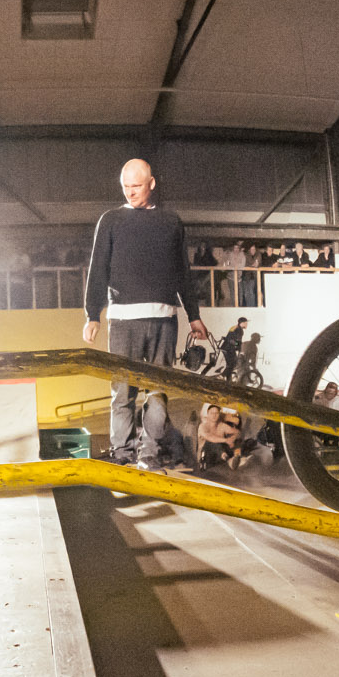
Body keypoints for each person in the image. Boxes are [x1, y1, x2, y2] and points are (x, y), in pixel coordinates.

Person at [83, 158, 207, 473]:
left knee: (157, 391)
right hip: (123, 318)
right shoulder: (110, 220)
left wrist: (194, 315)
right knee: (122, 391)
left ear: (151, 184)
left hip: (164, 317)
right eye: (125, 187)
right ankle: (122, 452)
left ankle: (148, 454)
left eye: (136, 186)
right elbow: (98, 267)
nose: (131, 193)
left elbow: (183, 271)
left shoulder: (171, 222)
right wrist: (92, 313)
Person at [219, 316, 248, 381]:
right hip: (229, 348)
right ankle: (221, 376)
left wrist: (238, 346)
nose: (247, 325)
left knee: (229, 365)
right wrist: (238, 347)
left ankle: (229, 381)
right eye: (246, 323)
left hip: (225, 348)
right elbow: (233, 341)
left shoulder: (234, 327)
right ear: (242, 323)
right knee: (233, 364)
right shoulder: (239, 330)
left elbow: (230, 339)